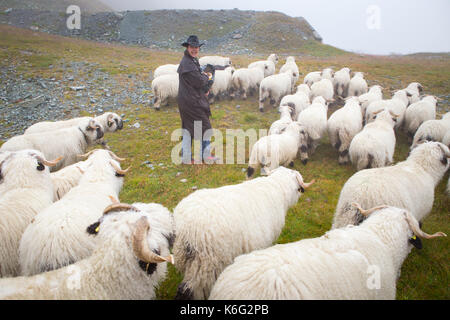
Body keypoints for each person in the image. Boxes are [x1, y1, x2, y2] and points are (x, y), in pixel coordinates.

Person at [177, 35, 219, 164]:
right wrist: (208, 76)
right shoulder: (188, 63)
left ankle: (185, 156)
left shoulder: (191, 60)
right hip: (192, 102)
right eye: (192, 47)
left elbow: (196, 80)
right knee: (205, 127)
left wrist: (203, 78)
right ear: (187, 47)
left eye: (196, 47)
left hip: (187, 100)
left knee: (188, 128)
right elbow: (199, 81)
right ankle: (205, 156)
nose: (194, 49)